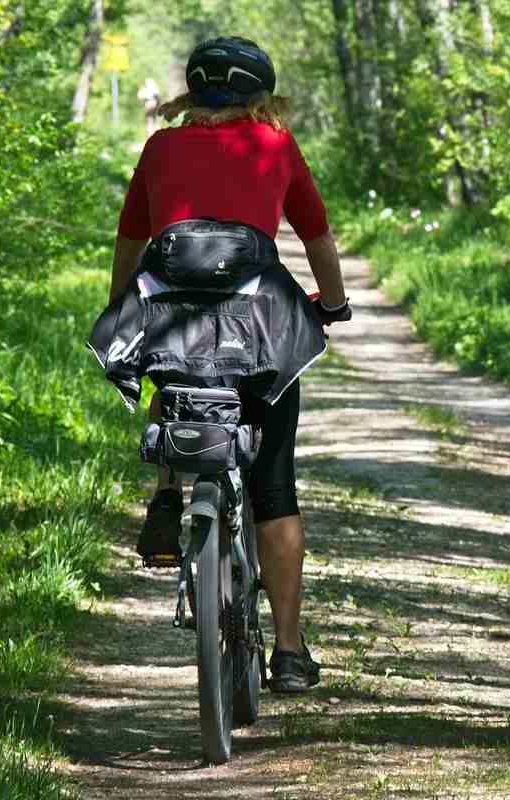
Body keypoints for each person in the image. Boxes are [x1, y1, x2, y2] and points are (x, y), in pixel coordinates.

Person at [106, 37, 351, 693]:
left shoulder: (160, 147)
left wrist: (120, 306)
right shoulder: (275, 144)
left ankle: (166, 491)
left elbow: (132, 239)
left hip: (174, 318)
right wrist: (334, 304)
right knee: (275, 486)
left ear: (194, 93)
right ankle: (292, 652)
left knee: (173, 367)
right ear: (259, 96)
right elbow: (316, 233)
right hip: (258, 324)